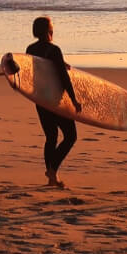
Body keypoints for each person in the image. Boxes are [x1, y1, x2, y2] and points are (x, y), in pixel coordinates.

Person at [26, 16, 81, 188]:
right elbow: (63, 78)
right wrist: (74, 99)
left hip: (40, 98)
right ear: (48, 30)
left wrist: (60, 63)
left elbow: (35, 71)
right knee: (71, 136)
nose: (53, 28)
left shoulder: (30, 48)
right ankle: (52, 170)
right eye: (51, 26)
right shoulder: (54, 49)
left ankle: (52, 178)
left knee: (51, 137)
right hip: (55, 99)